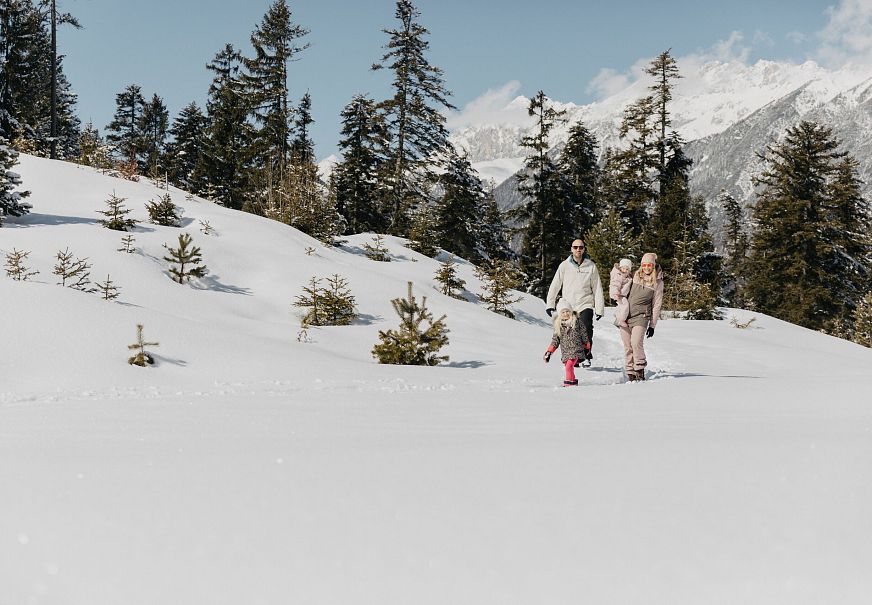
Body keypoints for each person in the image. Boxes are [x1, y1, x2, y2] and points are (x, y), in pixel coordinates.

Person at [545, 238, 604, 367]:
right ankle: (575, 357)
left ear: (584, 249)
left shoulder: (591, 266)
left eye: (581, 247)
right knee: (571, 333)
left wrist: (599, 309)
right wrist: (550, 304)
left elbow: (597, 288)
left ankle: (587, 354)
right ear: (571, 249)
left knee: (586, 327)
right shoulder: (564, 266)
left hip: (585, 303)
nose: (578, 249)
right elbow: (555, 285)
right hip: (569, 306)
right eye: (575, 247)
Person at [620, 252, 664, 382]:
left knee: (636, 342)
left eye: (649, 265)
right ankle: (630, 373)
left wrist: (652, 325)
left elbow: (657, 304)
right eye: (644, 265)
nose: (646, 267)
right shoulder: (634, 276)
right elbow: (618, 280)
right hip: (626, 315)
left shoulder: (658, 282)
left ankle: (639, 370)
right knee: (627, 345)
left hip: (642, 316)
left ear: (653, 265)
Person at [543, 299, 589, 387]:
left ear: (571, 311)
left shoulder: (577, 322)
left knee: (569, 366)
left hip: (576, 350)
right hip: (565, 352)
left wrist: (587, 346)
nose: (565, 314)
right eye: (563, 312)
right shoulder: (558, 326)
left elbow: (584, 335)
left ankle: (568, 384)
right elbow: (555, 341)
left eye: (567, 311)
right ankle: (573, 382)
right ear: (560, 314)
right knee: (569, 367)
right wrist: (549, 352)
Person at [609, 258, 633, 327]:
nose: (625, 270)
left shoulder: (627, 276)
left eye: (627, 269)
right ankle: (621, 320)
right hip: (618, 295)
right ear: (620, 268)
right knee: (625, 305)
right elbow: (615, 284)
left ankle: (617, 315)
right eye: (623, 268)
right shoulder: (619, 275)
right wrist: (615, 294)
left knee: (621, 307)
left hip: (622, 295)